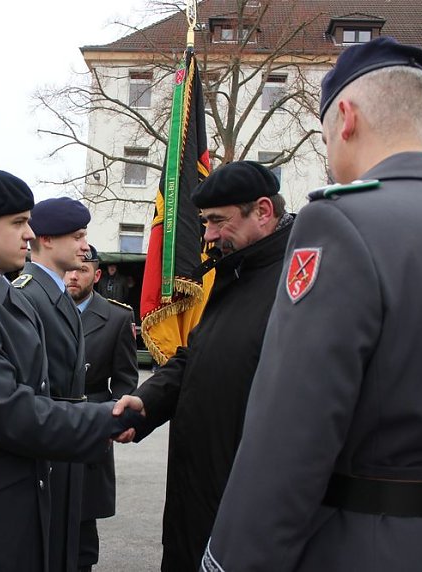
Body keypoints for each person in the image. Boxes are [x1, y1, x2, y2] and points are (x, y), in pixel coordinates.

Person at [202, 37, 422, 572]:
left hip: (367, 545)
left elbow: (289, 437)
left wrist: (228, 563)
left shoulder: (338, 222)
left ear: (344, 118)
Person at [0, 169, 142, 572]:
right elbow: (5, 410)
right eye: (19, 222)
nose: (29, 233)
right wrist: (101, 420)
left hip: (22, 483)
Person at [118, 161, 294, 571]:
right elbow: (198, 352)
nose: (209, 235)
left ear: (263, 211)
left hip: (242, 501)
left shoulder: (296, 280)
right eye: (204, 222)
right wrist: (146, 403)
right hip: (197, 492)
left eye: (218, 221)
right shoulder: (235, 269)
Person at [13, 196, 94, 572]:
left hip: (67, 444)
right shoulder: (28, 296)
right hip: (48, 448)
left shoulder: (57, 294)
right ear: (45, 240)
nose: (85, 246)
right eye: (77, 236)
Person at [65, 245, 139, 572]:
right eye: (68, 269)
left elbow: (125, 382)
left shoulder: (117, 318)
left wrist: (110, 422)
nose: (72, 276)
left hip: (92, 416)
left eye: (81, 270)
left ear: (96, 275)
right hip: (50, 416)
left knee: (82, 517)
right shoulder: (41, 307)